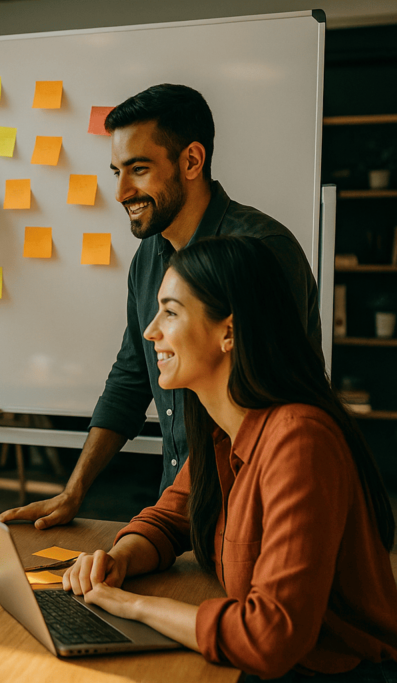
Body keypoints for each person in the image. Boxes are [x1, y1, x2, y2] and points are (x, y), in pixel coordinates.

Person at [62, 236, 397, 681]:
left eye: (171, 312)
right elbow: (169, 518)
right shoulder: (220, 424)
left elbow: (269, 637)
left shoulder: (299, 441)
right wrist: (119, 560)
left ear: (230, 332)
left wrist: (134, 606)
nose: (150, 331)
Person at [0, 84, 322, 529]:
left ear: (191, 161)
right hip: (178, 511)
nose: (121, 191)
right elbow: (132, 374)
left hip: (258, 514)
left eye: (139, 169)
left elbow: (273, 405)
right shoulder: (148, 257)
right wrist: (75, 491)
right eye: (116, 171)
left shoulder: (261, 251)